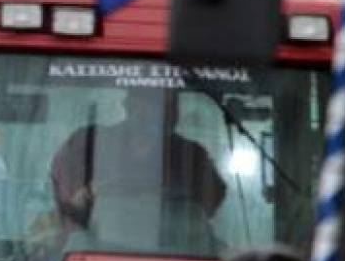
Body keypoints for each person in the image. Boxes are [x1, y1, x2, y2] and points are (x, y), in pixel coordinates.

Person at [50, 91, 226, 230]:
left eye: (167, 105)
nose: (154, 113)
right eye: (148, 103)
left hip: (177, 252)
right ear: (128, 105)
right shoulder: (89, 141)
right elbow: (65, 192)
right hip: (93, 246)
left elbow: (211, 200)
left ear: (175, 113)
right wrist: (88, 193)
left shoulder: (192, 155)